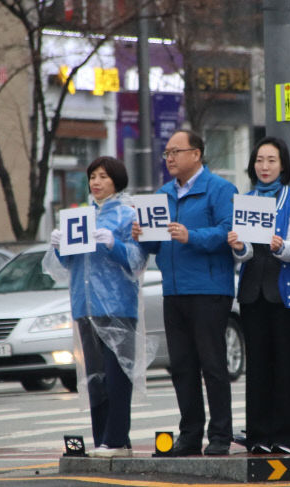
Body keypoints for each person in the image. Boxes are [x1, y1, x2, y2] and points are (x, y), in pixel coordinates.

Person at [133, 129, 238, 456]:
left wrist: (191, 235)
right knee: (182, 365)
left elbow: (227, 231)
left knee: (213, 365)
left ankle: (220, 435)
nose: (170, 158)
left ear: (197, 154)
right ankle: (190, 434)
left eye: (176, 152)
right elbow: (154, 244)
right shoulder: (162, 194)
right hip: (174, 291)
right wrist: (141, 235)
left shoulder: (220, 189)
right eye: (166, 153)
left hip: (209, 289)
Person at [44, 156, 147, 458]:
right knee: (95, 378)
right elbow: (67, 266)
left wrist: (115, 245)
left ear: (116, 180)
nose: (96, 182)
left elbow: (138, 261)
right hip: (85, 306)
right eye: (92, 177)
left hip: (117, 306)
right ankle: (102, 437)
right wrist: (58, 247)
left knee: (118, 375)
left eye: (103, 176)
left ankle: (117, 439)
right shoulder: (81, 216)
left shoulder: (128, 216)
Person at [227, 137, 290, 455]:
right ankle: (259, 435)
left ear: (283, 165)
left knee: (288, 366)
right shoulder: (245, 201)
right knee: (258, 368)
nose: (264, 166)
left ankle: (288, 435)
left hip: (287, 295)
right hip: (252, 294)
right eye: (260, 160)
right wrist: (238, 246)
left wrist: (281, 247)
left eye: (271, 160)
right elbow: (244, 253)